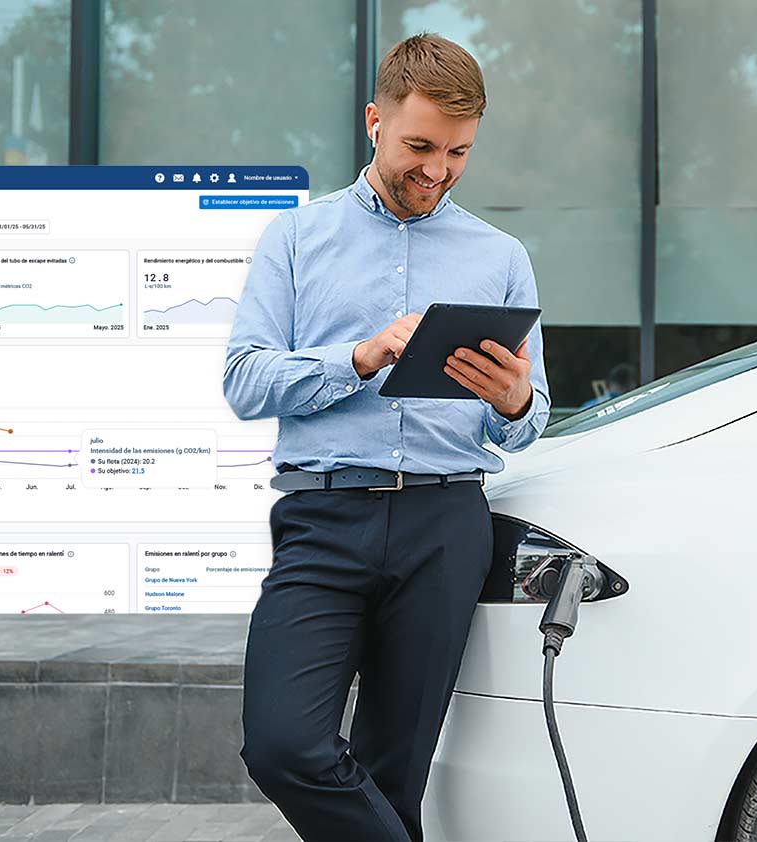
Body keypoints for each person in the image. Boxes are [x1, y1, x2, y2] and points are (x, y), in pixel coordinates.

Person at [221, 33, 550, 842]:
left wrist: (513, 400)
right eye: (419, 146)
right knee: (282, 744)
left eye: (458, 152)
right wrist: (358, 357)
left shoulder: (501, 257)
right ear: (375, 121)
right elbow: (245, 381)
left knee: (394, 770)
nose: (437, 169)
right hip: (323, 523)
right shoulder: (295, 241)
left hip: (446, 526)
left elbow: (534, 417)